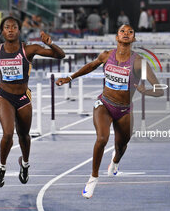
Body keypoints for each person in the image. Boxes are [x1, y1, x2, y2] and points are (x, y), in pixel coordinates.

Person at [56, 24, 163, 198]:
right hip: (104, 104)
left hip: (124, 110)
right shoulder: (107, 55)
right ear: (116, 36)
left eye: (130, 32)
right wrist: (69, 77)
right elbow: (91, 66)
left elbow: (160, 90)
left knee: (121, 147)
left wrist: (146, 91)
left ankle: (115, 161)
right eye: (122, 31)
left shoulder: (138, 62)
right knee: (102, 138)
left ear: (134, 38)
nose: (126, 34)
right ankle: (93, 178)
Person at [0, 16, 65, 188]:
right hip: (4, 96)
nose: (10, 30)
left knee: (24, 135)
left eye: (14, 27)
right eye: (7, 27)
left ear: (19, 30)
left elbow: (60, 55)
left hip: (23, 97)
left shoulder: (29, 49)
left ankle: (25, 164)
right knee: (8, 133)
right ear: (2, 31)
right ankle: (1, 168)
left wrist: (50, 42)